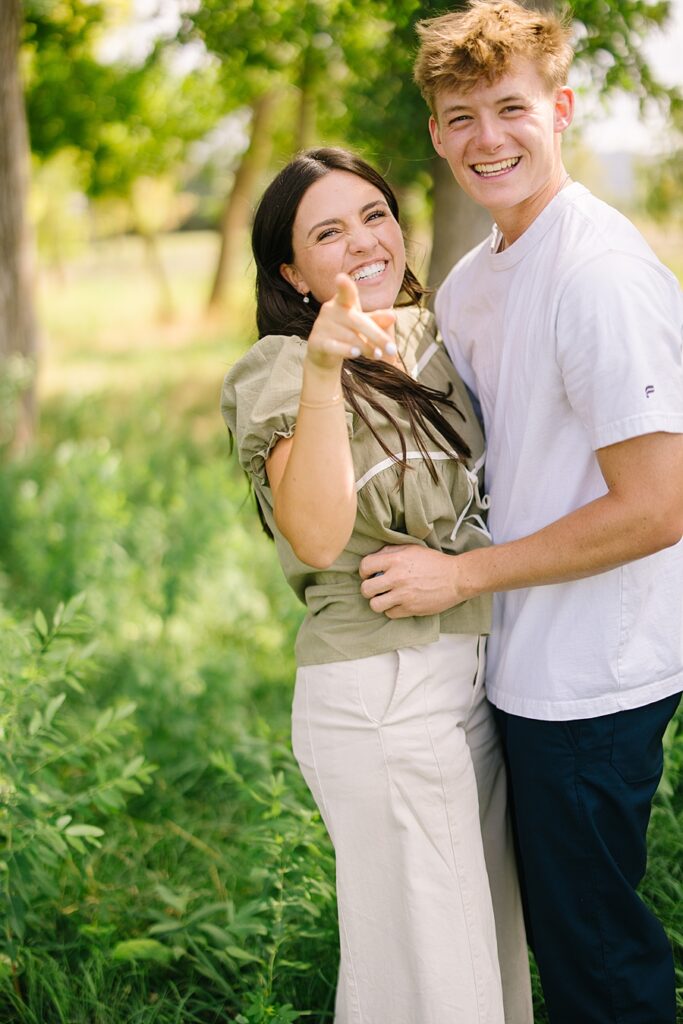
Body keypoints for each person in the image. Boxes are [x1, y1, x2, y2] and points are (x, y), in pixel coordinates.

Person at [358, 4, 683, 1023]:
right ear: (435, 135)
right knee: (543, 936)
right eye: (461, 115)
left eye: (509, 108)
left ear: (560, 108)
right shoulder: (470, 280)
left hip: (591, 677)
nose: (486, 137)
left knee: (592, 957)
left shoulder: (597, 276)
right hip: (512, 661)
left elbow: (657, 506)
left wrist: (458, 577)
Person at [221, 147, 532, 1023]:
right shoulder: (280, 368)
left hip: (469, 683)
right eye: (327, 231)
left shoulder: (435, 334)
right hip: (380, 691)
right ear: (291, 271)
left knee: (482, 960)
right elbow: (317, 534)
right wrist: (324, 371)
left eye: (374, 214)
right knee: (437, 982)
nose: (364, 241)